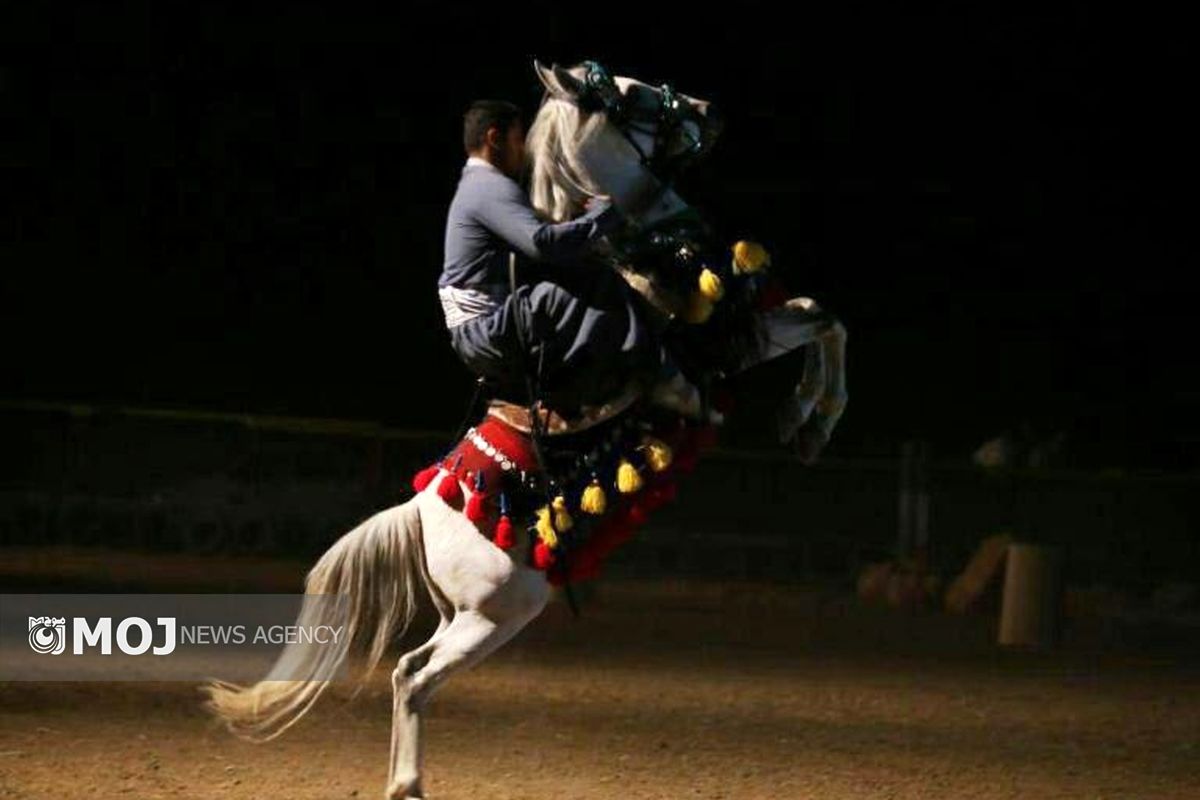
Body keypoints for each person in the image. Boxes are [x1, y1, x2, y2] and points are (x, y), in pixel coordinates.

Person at [439, 99, 710, 419]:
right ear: (494, 139)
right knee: (591, 285)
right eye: (517, 138)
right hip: (485, 331)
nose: (524, 149)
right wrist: (606, 213)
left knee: (578, 280)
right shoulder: (488, 186)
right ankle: (651, 377)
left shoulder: (480, 187)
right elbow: (543, 244)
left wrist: (583, 224)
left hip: (485, 329)